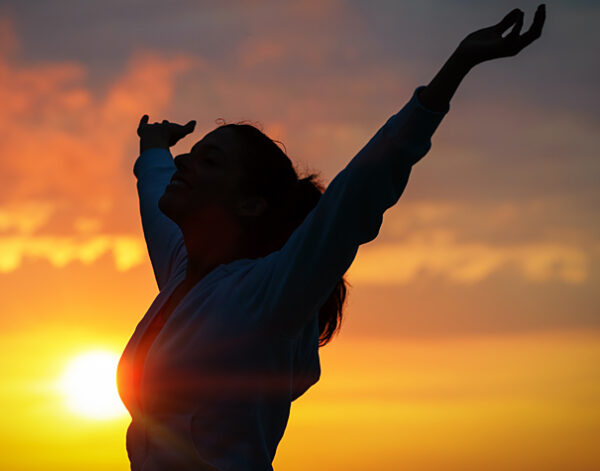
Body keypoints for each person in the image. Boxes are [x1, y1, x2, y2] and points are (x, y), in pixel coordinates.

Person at [117, 5, 546, 470]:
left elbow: (358, 193)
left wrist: (451, 73)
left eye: (210, 162)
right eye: (191, 156)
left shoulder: (264, 295)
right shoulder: (185, 271)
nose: (185, 164)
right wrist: (154, 147)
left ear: (251, 204)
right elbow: (156, 193)